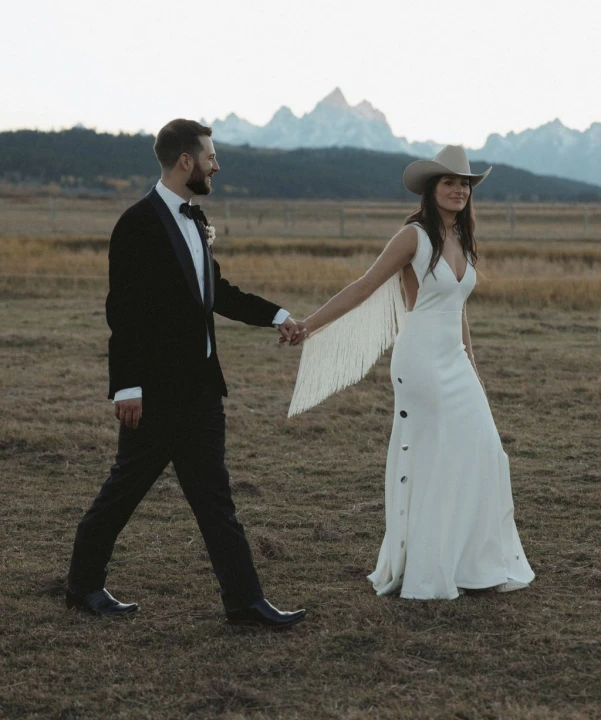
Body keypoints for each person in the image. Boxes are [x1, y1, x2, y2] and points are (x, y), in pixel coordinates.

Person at [66, 119, 306, 627]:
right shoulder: (137, 223)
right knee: (122, 493)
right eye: (211, 157)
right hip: (154, 396)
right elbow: (124, 312)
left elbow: (216, 292)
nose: (217, 165)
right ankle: (82, 587)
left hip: (201, 392)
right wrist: (127, 386)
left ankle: (245, 603)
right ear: (185, 161)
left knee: (216, 501)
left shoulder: (196, 221)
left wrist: (278, 315)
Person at [292, 145, 534, 599]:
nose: (459, 189)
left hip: (455, 361)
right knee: (435, 460)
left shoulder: (463, 238)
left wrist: (473, 366)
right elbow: (364, 286)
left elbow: (458, 311)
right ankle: (429, 569)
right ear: (431, 189)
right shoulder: (414, 237)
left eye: (465, 183)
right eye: (449, 182)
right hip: (420, 360)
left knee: (484, 453)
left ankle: (474, 564)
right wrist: (309, 325)